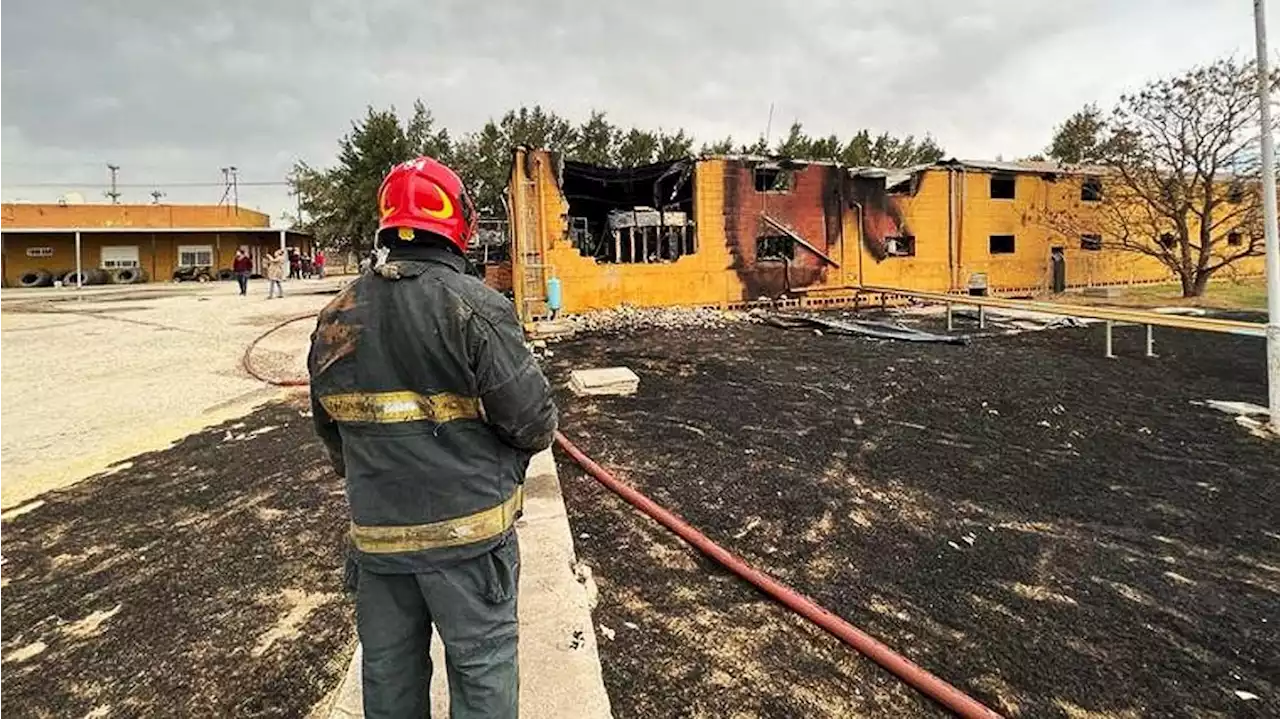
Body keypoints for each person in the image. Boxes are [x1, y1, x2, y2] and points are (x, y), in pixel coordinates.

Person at [308, 156, 556, 719]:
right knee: (482, 671)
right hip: (468, 545)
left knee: (389, 678)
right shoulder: (477, 309)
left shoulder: (335, 317)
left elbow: (333, 435)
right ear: (456, 222)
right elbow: (534, 423)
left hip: (379, 547)